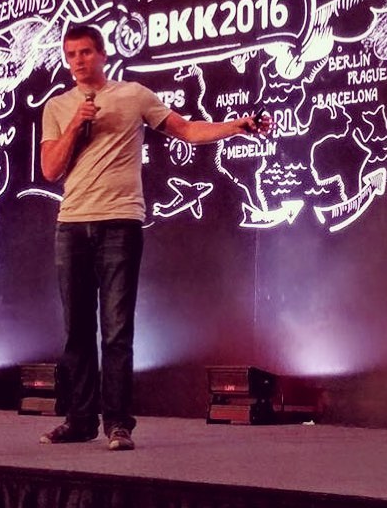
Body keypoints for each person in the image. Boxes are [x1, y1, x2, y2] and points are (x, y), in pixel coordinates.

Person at [39, 24, 270, 450]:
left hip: (120, 222)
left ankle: (118, 423)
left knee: (116, 329)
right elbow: (50, 169)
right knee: (76, 330)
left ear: (103, 54)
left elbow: (186, 130)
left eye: (85, 52)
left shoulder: (134, 95)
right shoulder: (57, 107)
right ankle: (80, 420)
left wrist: (237, 127)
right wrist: (74, 125)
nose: (78, 61)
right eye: (71, 54)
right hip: (71, 225)